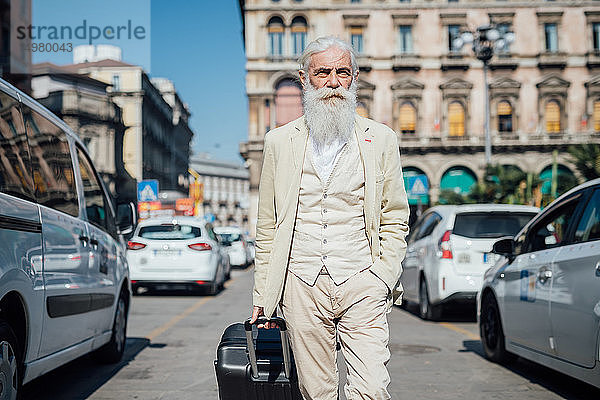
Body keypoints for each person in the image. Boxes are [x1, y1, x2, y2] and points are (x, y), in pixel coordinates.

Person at [250, 36, 410, 400]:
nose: (333, 82)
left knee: (371, 388)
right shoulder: (278, 141)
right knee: (317, 391)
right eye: (323, 72)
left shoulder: (381, 138)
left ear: (354, 79)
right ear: (305, 79)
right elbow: (267, 225)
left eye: (342, 72)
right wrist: (264, 293)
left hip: (362, 280)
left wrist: (383, 275)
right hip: (301, 283)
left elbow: (396, 215)